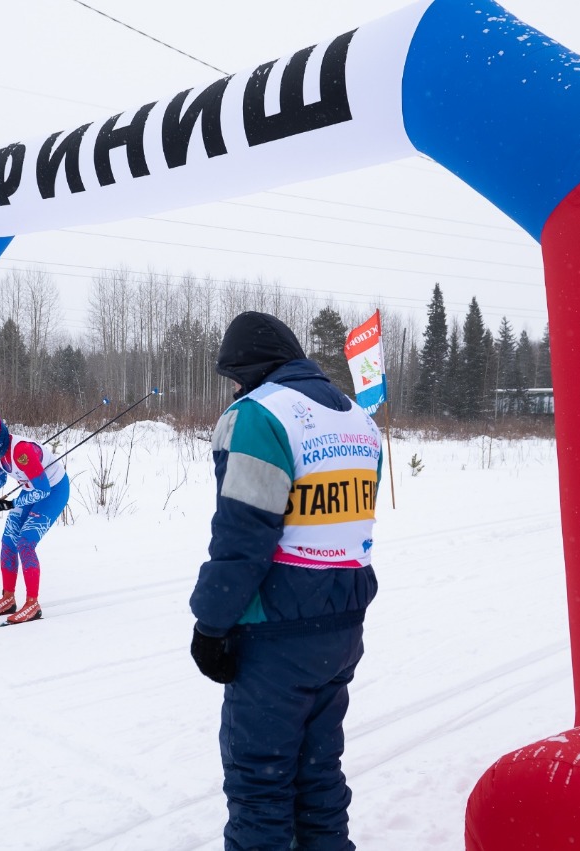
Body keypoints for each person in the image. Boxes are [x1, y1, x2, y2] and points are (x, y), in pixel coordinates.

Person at [188, 311, 382, 851]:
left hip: (274, 632)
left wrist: (212, 622)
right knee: (319, 777)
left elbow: (244, 532)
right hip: (342, 627)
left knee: (261, 786)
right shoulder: (358, 420)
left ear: (249, 369)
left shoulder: (259, 415)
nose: (233, 387)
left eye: (234, 376)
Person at [0, 409, 70, 625]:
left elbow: (43, 491)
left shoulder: (21, 451)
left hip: (53, 491)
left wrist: (11, 503)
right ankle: (7, 599)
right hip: (31, 488)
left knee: (25, 542)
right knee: (8, 542)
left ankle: (32, 604)